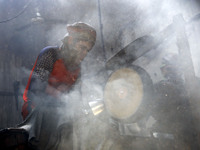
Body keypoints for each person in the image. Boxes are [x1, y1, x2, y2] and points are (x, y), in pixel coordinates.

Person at [21, 22, 96, 120]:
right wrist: (63, 97)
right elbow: (38, 86)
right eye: (82, 48)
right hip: (36, 111)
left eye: (87, 50)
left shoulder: (77, 67)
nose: (85, 53)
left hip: (60, 114)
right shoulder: (50, 54)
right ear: (70, 41)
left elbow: (76, 93)